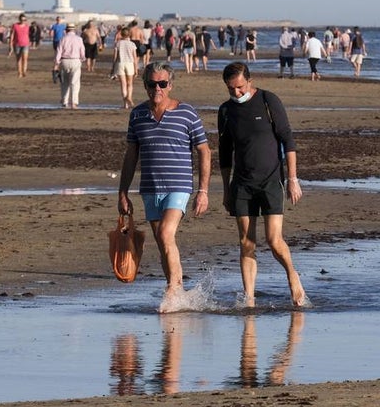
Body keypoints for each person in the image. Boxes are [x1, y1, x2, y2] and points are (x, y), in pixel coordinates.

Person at [117, 62, 211, 312]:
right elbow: (130, 155)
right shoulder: (137, 115)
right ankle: (178, 293)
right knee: (163, 244)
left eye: (162, 84)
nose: (157, 89)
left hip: (178, 186)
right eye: (152, 84)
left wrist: (203, 191)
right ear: (145, 85)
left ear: (170, 85)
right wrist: (122, 192)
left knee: (166, 235)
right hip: (150, 187)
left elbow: (204, 151)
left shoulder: (187, 113)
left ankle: (172, 290)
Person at [217, 62, 307, 308]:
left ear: (249, 80)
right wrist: (226, 190)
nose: (236, 93)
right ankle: (249, 298)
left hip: (270, 181)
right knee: (246, 242)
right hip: (242, 185)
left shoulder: (268, 100)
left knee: (273, 240)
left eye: (240, 87)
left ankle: (292, 274)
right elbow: (224, 154)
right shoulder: (226, 111)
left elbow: (287, 139)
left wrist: (292, 179)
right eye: (230, 89)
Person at [53, 23, 86, 108]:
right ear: (74, 30)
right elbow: (82, 51)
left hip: (64, 61)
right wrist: (82, 59)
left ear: (66, 30)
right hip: (76, 60)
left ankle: (64, 101)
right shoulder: (79, 39)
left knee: (65, 83)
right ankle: (74, 102)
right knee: (75, 82)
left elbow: (59, 52)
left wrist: (56, 63)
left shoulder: (62, 39)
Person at [112, 28, 139, 109]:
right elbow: (135, 58)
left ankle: (125, 104)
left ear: (121, 34)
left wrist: (113, 67)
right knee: (130, 83)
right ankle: (129, 97)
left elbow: (115, 57)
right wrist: (136, 69)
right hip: (130, 64)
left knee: (123, 84)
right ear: (129, 35)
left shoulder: (118, 43)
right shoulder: (132, 44)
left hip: (120, 63)